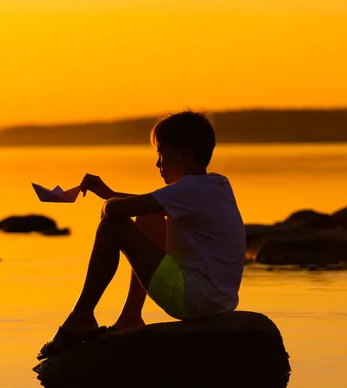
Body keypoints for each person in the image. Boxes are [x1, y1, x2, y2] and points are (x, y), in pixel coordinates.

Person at [37, 110, 246, 360]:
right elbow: (149, 206)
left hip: (194, 300)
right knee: (148, 217)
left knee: (112, 225)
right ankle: (131, 317)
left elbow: (115, 211)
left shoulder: (188, 190)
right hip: (216, 300)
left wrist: (107, 204)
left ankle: (80, 317)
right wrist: (108, 192)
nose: (157, 164)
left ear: (183, 154)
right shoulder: (214, 185)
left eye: (161, 155)